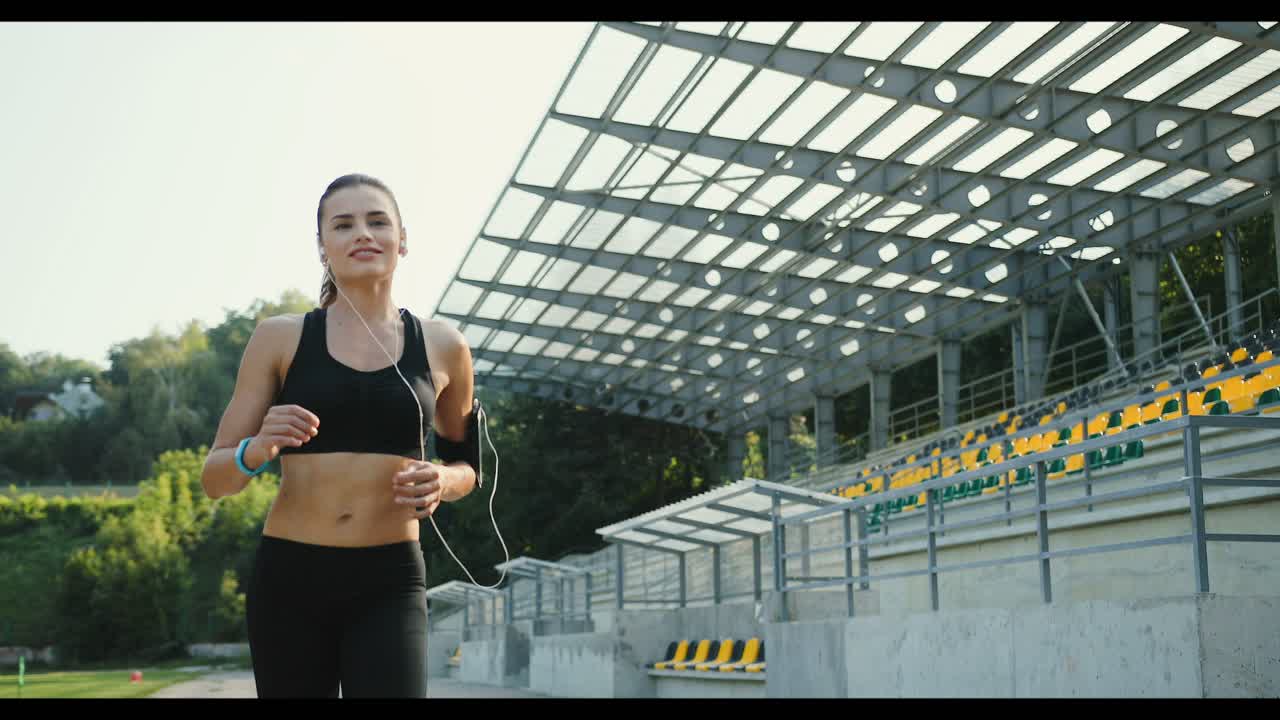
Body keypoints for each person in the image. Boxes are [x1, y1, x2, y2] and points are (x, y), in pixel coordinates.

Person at [199, 173, 480, 698]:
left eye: (377, 221)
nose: (362, 234)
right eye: (343, 224)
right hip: (291, 579)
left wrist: (444, 478)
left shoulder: (444, 345)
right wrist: (255, 449)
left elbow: (469, 468)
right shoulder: (280, 337)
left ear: (403, 239)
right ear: (323, 246)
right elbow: (215, 480)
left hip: (390, 581)